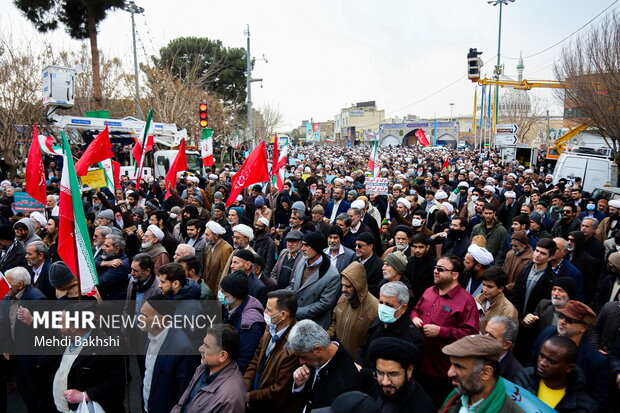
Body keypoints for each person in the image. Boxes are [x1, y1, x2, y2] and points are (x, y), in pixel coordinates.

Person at [411, 254, 480, 406]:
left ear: (455, 275)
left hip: (442, 374)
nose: (435, 271)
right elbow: (415, 309)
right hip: (418, 364)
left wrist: (442, 331)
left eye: (441, 269)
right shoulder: (429, 291)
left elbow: (470, 335)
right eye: (435, 268)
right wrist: (415, 317)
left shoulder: (466, 302)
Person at [529, 300, 608, 411]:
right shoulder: (547, 333)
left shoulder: (595, 360)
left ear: (583, 328)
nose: (562, 321)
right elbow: (531, 365)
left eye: (569, 320)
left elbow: (598, 401)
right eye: (561, 316)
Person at [52, 301, 125, 413]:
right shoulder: (66, 338)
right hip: (64, 407)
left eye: (61, 323)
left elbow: (115, 382)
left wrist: (85, 395)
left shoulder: (106, 349)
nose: (58, 327)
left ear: (74, 327)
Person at [139, 295, 201, 413]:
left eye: (144, 316)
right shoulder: (149, 335)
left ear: (161, 319)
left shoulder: (182, 348)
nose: (139, 319)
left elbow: (184, 392)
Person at [244, 290, 301, 413]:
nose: (265, 313)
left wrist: (251, 397)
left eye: (269, 310)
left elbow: (278, 390)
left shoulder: (293, 347)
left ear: (283, 315)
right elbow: (257, 357)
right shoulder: (270, 327)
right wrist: (246, 383)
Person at [289, 319, 361, 412]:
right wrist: (300, 385)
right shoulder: (316, 358)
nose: (301, 362)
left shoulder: (346, 383)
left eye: (303, 357)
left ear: (318, 349)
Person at [172, 324, 248, 413]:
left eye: (206, 346)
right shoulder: (203, 368)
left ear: (223, 355)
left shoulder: (230, 396)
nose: (200, 349)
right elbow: (181, 404)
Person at [439, 335, 524, 412]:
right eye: (452, 364)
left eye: (459, 366)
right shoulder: (454, 399)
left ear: (485, 373)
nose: (450, 373)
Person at [515, 336, 598, 413]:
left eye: (551, 361)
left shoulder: (584, 407)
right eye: (541, 356)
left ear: (569, 368)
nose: (542, 363)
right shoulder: (524, 379)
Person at [358, 281, 425, 368]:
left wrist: (368, 374)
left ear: (403, 308)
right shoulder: (378, 321)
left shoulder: (413, 339)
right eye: (381, 302)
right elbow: (363, 348)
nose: (383, 308)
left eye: (389, 305)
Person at [367, 337, 435, 413]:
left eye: (393, 374)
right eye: (380, 373)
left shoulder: (421, 408)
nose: (385, 382)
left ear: (409, 371)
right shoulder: (376, 388)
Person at [288, 232, 340, 329]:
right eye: (302, 245)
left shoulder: (332, 275)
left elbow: (324, 304)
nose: (302, 248)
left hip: (314, 326)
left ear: (317, 247)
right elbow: (293, 284)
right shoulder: (302, 261)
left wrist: (297, 311)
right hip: (294, 321)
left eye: (306, 245)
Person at [328, 261, 378, 357]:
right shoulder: (343, 298)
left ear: (358, 285)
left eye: (348, 286)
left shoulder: (374, 308)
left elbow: (371, 342)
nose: (343, 289)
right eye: (342, 285)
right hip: (337, 356)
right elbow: (334, 323)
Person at [219, 270, 265, 373]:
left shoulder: (250, 324)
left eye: (223, 292)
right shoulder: (231, 305)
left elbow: (245, 360)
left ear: (234, 295)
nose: (220, 294)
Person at [476, 267, 518, 332]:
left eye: (490, 287)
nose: (484, 289)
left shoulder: (508, 311)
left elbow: (505, 337)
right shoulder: (479, 298)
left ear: (500, 288)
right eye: (484, 284)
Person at [484, 316, 523, 382]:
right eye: (485, 332)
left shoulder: (516, 374)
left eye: (491, 336)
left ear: (506, 345)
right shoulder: (474, 354)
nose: (485, 338)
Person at [96, 233, 130, 300]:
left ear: (117, 249)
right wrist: (106, 263)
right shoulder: (107, 256)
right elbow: (93, 262)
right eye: (104, 245)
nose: (103, 248)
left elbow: (101, 282)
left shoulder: (120, 264)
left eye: (107, 246)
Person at [203, 220, 233, 294]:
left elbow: (223, 272)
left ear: (216, 236)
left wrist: (219, 292)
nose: (205, 237)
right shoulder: (209, 246)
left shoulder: (226, 248)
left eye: (207, 235)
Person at [405, 233, 436, 304]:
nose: (417, 250)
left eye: (420, 247)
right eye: (415, 247)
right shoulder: (409, 261)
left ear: (427, 247)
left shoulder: (434, 264)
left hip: (426, 301)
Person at [356, 232, 384, 298]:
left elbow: (373, 290)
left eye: (360, 246)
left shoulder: (379, 266)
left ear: (370, 246)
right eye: (356, 245)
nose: (356, 248)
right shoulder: (354, 259)